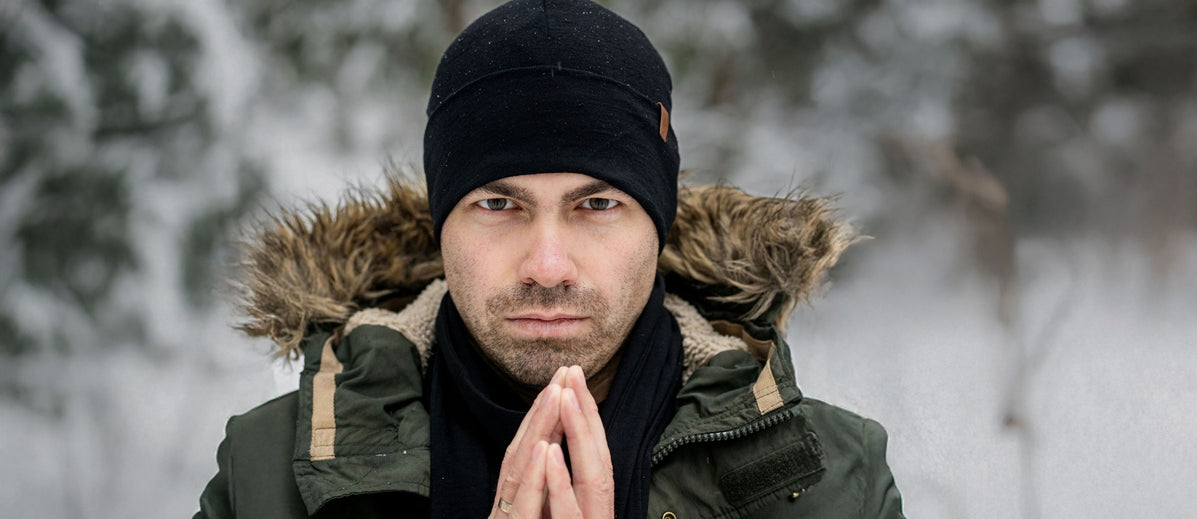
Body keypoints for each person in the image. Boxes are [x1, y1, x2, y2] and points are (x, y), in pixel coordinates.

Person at [193, 0, 902, 518]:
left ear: (658, 225)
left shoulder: (830, 478)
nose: (548, 265)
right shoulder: (268, 473)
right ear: (441, 227)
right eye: (499, 204)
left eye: (598, 204)